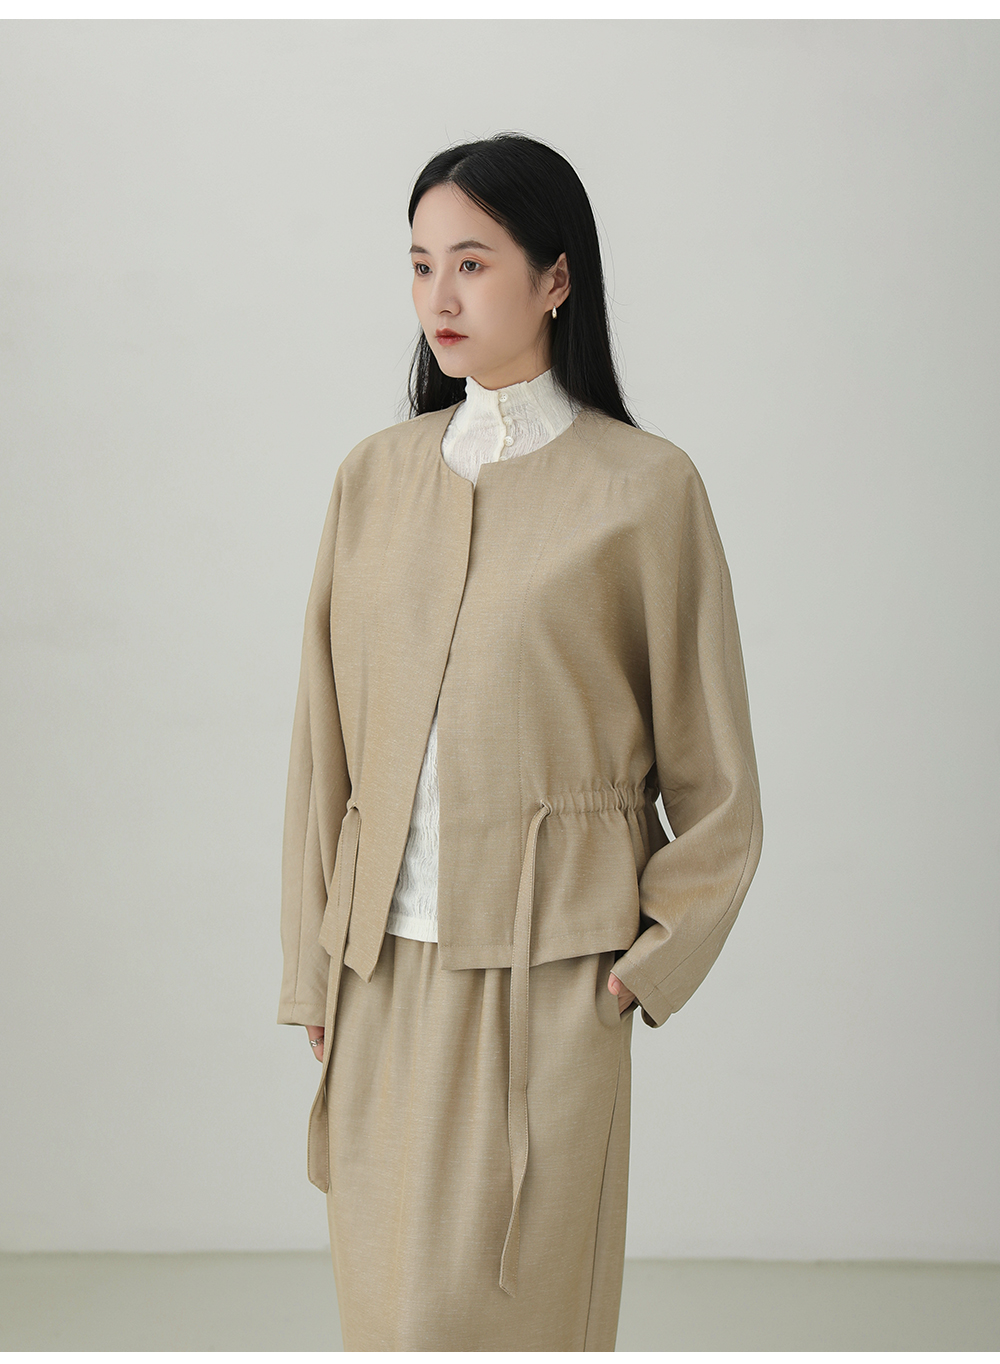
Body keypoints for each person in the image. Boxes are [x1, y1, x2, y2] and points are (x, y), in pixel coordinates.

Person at [277, 132, 763, 1352]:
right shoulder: (371, 478)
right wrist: (312, 964)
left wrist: (644, 964)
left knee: (518, 1310)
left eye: (472, 262)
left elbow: (717, 777)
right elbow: (323, 750)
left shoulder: (644, 488)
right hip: (379, 969)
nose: (439, 296)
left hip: (552, 970)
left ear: (555, 278)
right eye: (420, 264)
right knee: (390, 1318)